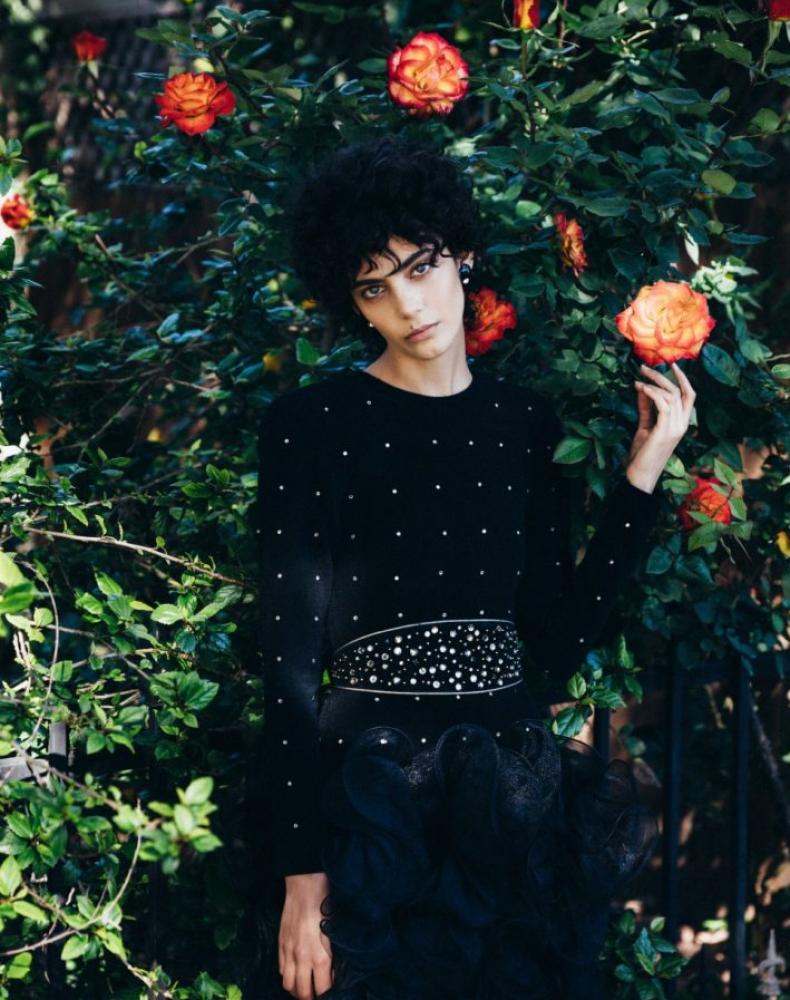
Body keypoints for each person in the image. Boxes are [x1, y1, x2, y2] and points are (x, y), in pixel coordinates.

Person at [254, 135, 695, 1000]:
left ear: (460, 254)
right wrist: (301, 880)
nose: (407, 304)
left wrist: (642, 478)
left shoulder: (526, 424)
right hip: (371, 813)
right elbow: (288, 669)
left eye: (419, 268)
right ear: (354, 304)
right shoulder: (311, 426)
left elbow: (554, 647)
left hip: (511, 812)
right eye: (374, 288)